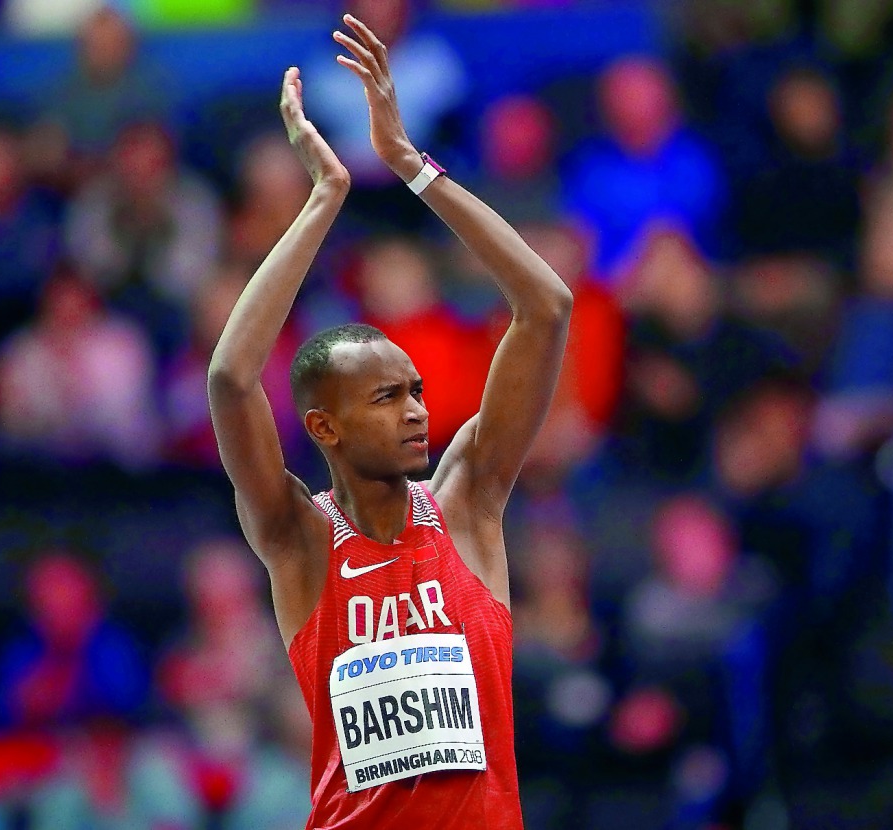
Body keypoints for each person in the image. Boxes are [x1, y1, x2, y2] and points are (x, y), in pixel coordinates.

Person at [207, 15, 572, 829]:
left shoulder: (469, 503)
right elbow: (232, 377)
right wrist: (324, 200)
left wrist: (412, 167)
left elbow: (546, 307)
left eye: (413, 390)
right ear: (324, 427)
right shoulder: (298, 540)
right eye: (384, 397)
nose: (415, 411)